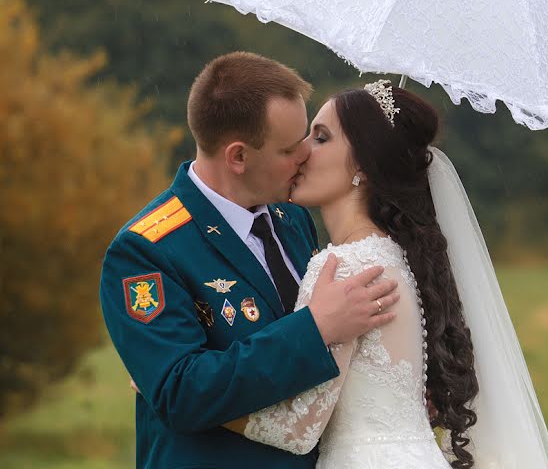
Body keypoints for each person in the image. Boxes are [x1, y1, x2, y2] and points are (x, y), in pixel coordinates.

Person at [223, 80, 548, 468]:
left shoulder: (343, 267)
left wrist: (189, 398)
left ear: (363, 165)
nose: (302, 153)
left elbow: (297, 429)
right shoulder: (395, 257)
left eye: (321, 138)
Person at [99, 52, 399, 469]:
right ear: (238, 157)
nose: (306, 156)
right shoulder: (145, 251)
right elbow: (179, 393)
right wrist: (314, 327)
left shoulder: (293, 220)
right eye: (291, 148)